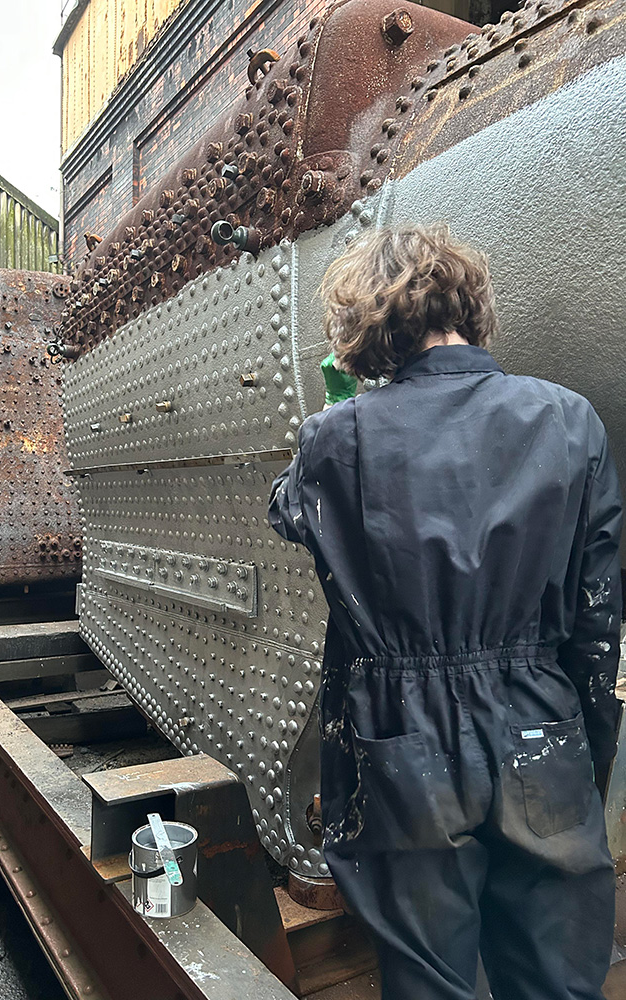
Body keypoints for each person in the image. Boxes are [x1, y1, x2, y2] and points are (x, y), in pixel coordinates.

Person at [268, 223, 622, 1000]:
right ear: (470, 305)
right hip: (542, 723)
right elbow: (599, 624)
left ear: (367, 326)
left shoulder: (337, 437)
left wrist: (338, 411)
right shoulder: (573, 421)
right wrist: (588, 753)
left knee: (429, 980)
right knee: (560, 979)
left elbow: (290, 511)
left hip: (405, 741)